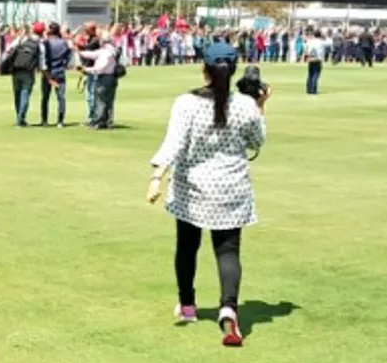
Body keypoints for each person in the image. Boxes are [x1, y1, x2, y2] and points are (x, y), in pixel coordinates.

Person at [147, 41, 267, 347]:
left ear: (205, 68)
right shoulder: (244, 105)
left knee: (187, 247)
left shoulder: (186, 103)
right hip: (231, 188)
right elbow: (257, 141)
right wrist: (261, 106)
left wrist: (156, 176)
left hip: (192, 187)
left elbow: (174, 142)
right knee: (228, 251)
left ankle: (187, 305)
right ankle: (229, 308)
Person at [2, 23, 44, 127]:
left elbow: (8, 49)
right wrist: (42, 70)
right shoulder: (40, 43)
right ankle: (21, 119)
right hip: (28, 71)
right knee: (25, 94)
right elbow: (42, 59)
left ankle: (18, 117)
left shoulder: (22, 39)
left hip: (16, 69)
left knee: (17, 95)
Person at [79, 31, 121, 130]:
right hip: (112, 77)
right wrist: (79, 51)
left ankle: (99, 122)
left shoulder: (106, 52)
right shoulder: (112, 50)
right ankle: (108, 121)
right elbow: (93, 54)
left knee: (100, 100)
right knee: (109, 101)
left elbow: (99, 68)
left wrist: (86, 69)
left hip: (105, 76)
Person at [40, 22, 73, 127]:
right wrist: (65, 65)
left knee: (45, 97)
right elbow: (69, 56)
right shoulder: (64, 43)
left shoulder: (46, 43)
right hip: (59, 71)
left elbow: (42, 57)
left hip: (48, 72)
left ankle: (45, 120)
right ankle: (60, 121)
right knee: (61, 97)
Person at [304, 28, 326, 95]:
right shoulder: (321, 42)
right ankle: (313, 90)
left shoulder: (310, 41)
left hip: (310, 58)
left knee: (310, 74)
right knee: (315, 75)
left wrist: (305, 57)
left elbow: (306, 49)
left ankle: (308, 89)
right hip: (317, 59)